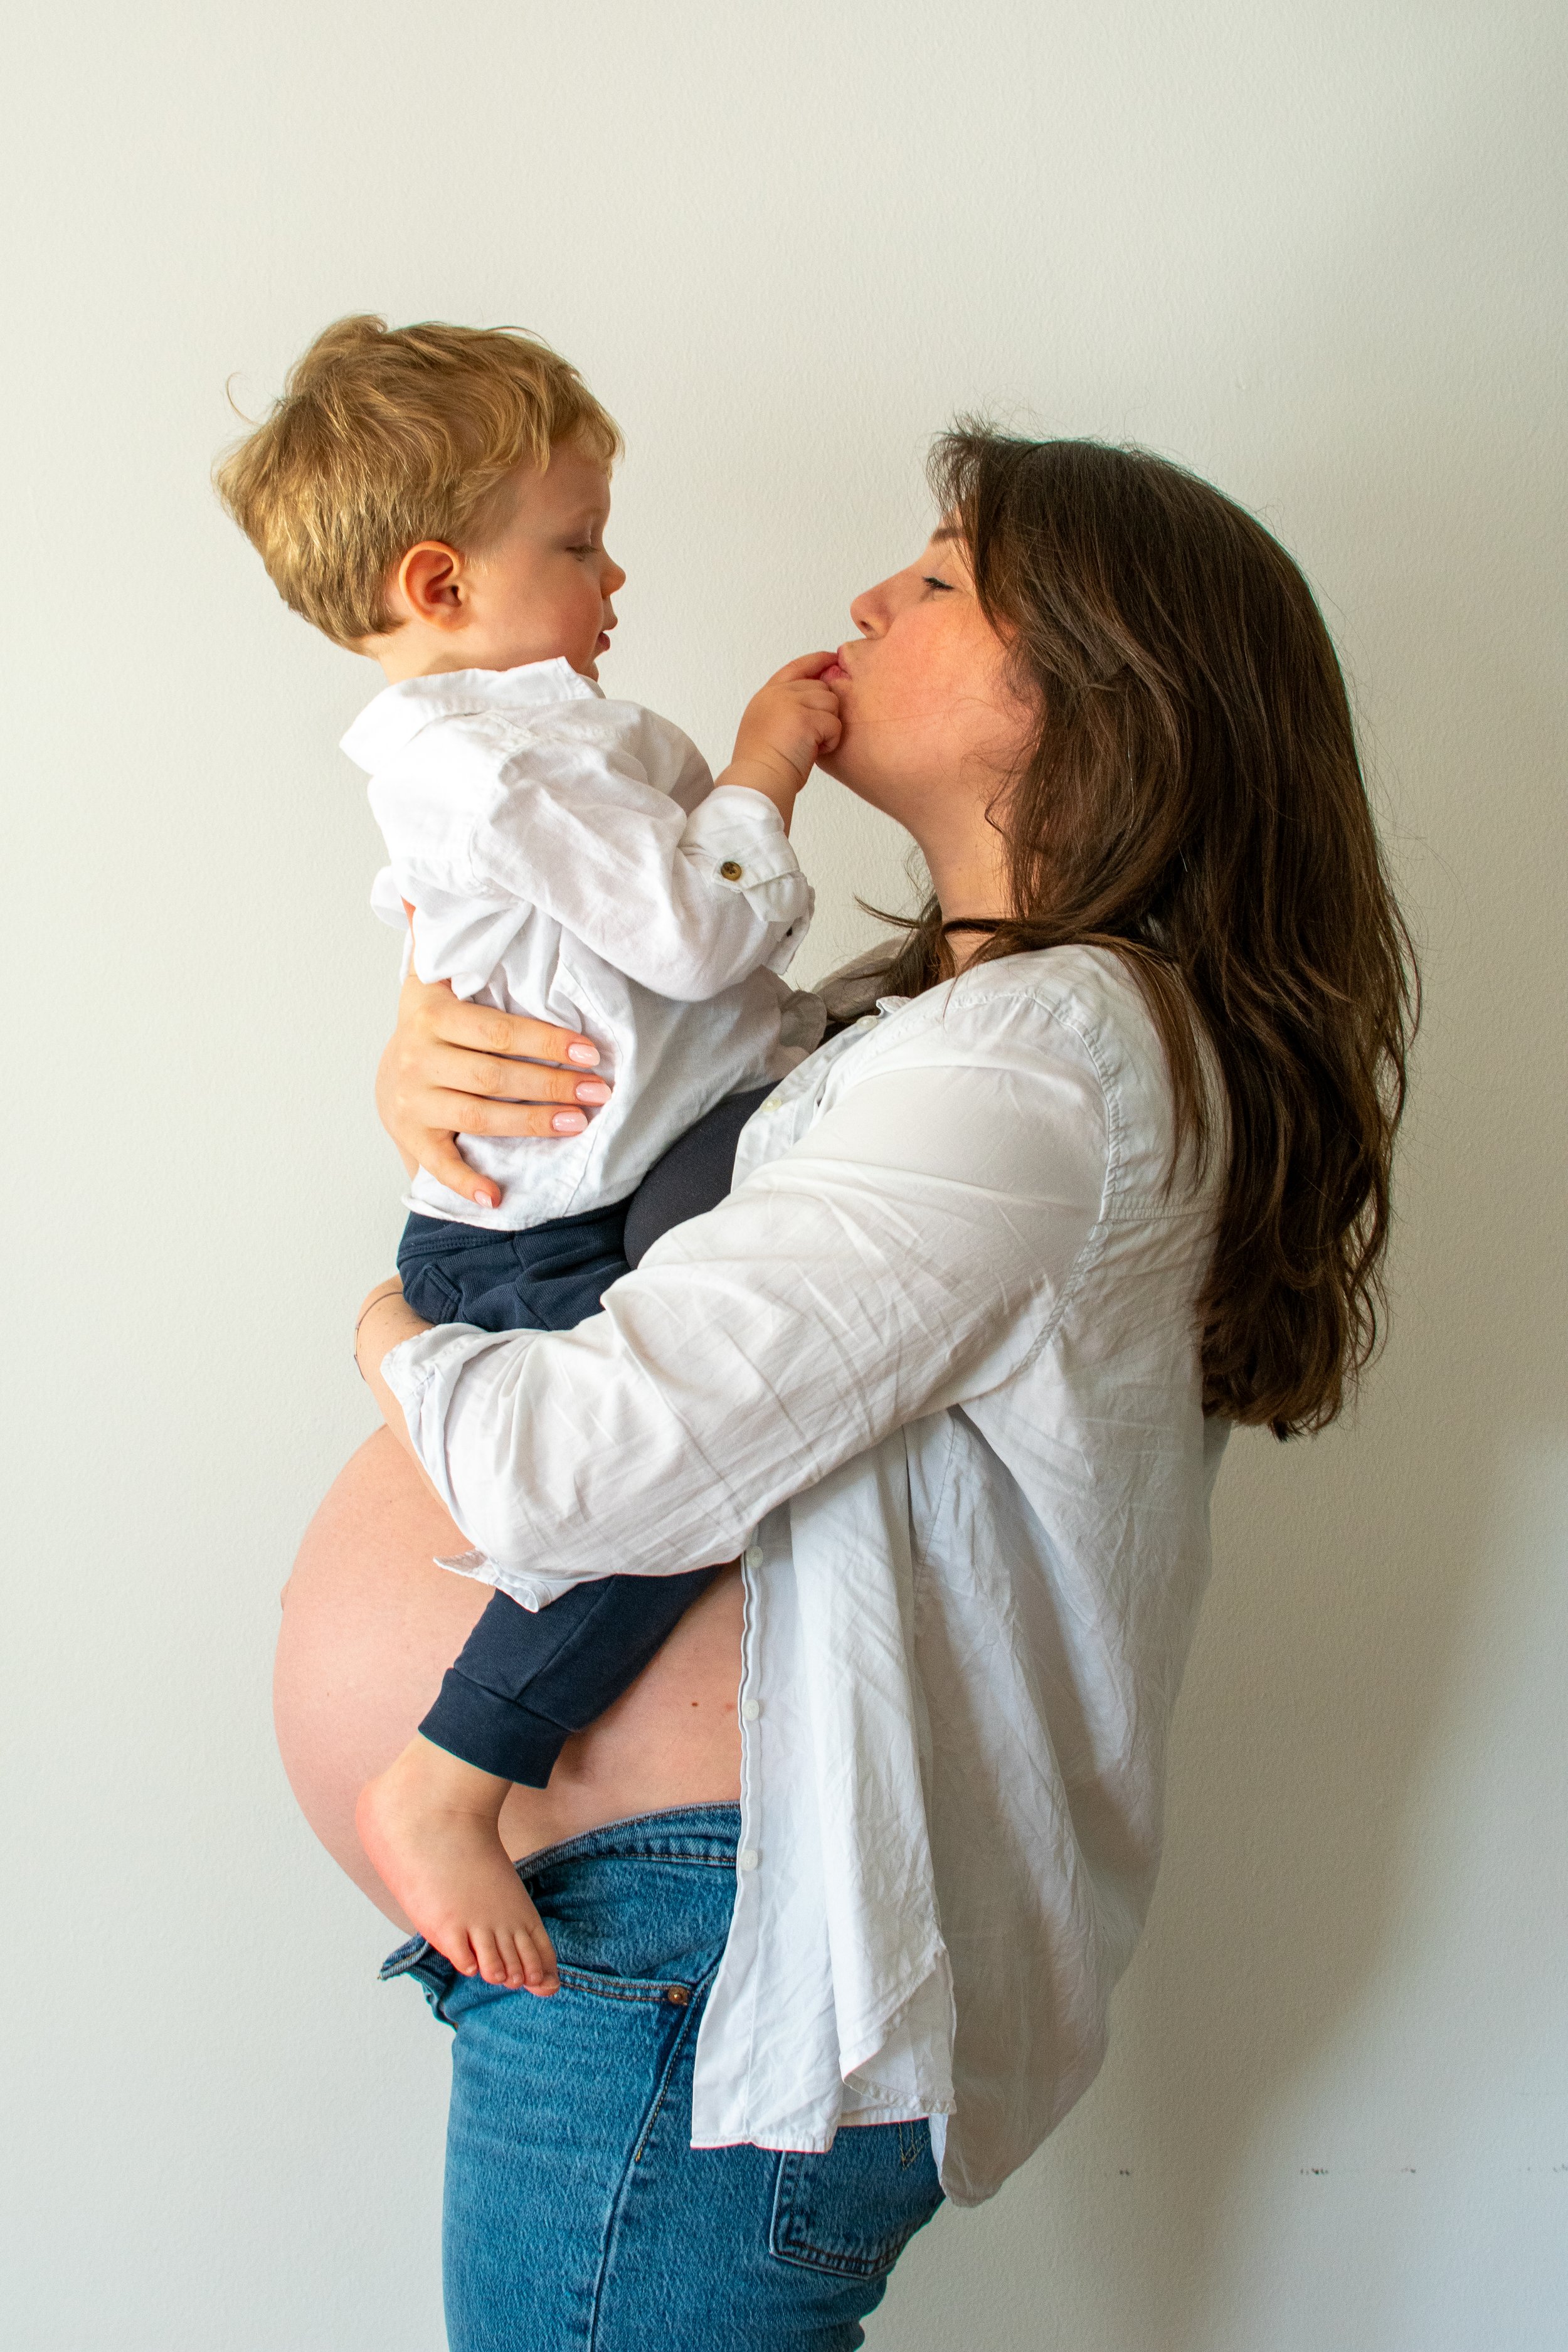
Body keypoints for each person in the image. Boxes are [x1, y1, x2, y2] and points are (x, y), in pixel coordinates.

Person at [279, 427, 1416, 2351]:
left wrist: (385, 1324)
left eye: (945, 578)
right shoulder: (936, 1040)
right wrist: (421, 1078)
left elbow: (577, 1469)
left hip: (692, 1969)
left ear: (1085, 690)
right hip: (654, 1953)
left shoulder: (1037, 1069)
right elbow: (618, 1114)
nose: (877, 598)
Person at [218, 315, 842, 1993]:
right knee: (653, 1499)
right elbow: (702, 939)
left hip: (594, 1199)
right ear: (439, 585)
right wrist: (767, 761)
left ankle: (459, 1772)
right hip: (537, 1247)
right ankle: (453, 1780)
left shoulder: (527, 748)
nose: (611, 570)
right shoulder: (481, 763)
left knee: (691, 1459)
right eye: (573, 543)